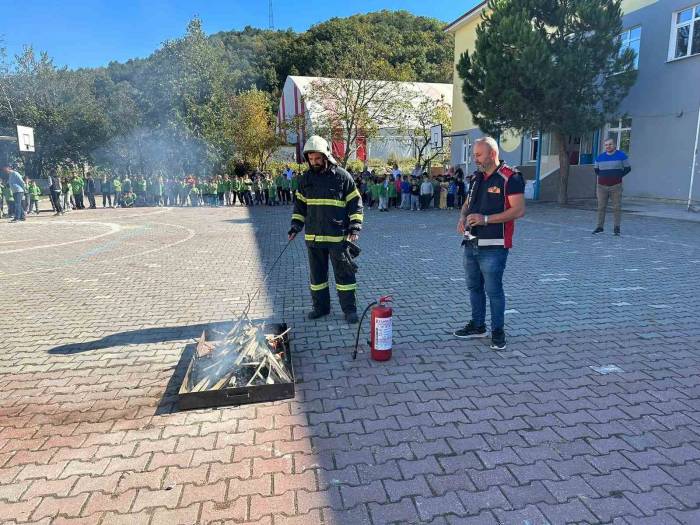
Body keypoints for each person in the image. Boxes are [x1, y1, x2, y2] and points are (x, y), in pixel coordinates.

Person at [453, 137, 525, 351]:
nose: (474, 158)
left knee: (493, 290)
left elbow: (518, 210)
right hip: (470, 242)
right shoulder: (476, 177)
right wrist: (461, 218)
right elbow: (467, 203)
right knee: (474, 287)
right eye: (474, 154)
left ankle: (498, 332)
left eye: (478, 155)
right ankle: (478, 326)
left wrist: (485, 219)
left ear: (492, 154)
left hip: (494, 245)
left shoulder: (510, 177)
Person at [288, 135, 363, 324]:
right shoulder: (305, 180)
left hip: (337, 238)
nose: (314, 162)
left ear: (326, 156)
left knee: (344, 275)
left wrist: (354, 228)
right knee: (317, 278)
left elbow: (356, 203)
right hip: (313, 239)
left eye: (317, 159)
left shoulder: (342, 177)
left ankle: (349, 310)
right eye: (311, 159)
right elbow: (300, 206)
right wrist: (295, 226)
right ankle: (321, 308)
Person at [593, 138, 631, 236]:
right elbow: (596, 170)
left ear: (614, 145)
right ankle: (599, 227)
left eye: (610, 144)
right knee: (601, 207)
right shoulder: (599, 157)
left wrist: (618, 176)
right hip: (601, 187)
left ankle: (616, 228)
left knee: (617, 207)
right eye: (606, 145)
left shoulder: (621, 156)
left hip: (616, 186)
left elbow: (628, 168)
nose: (608, 146)